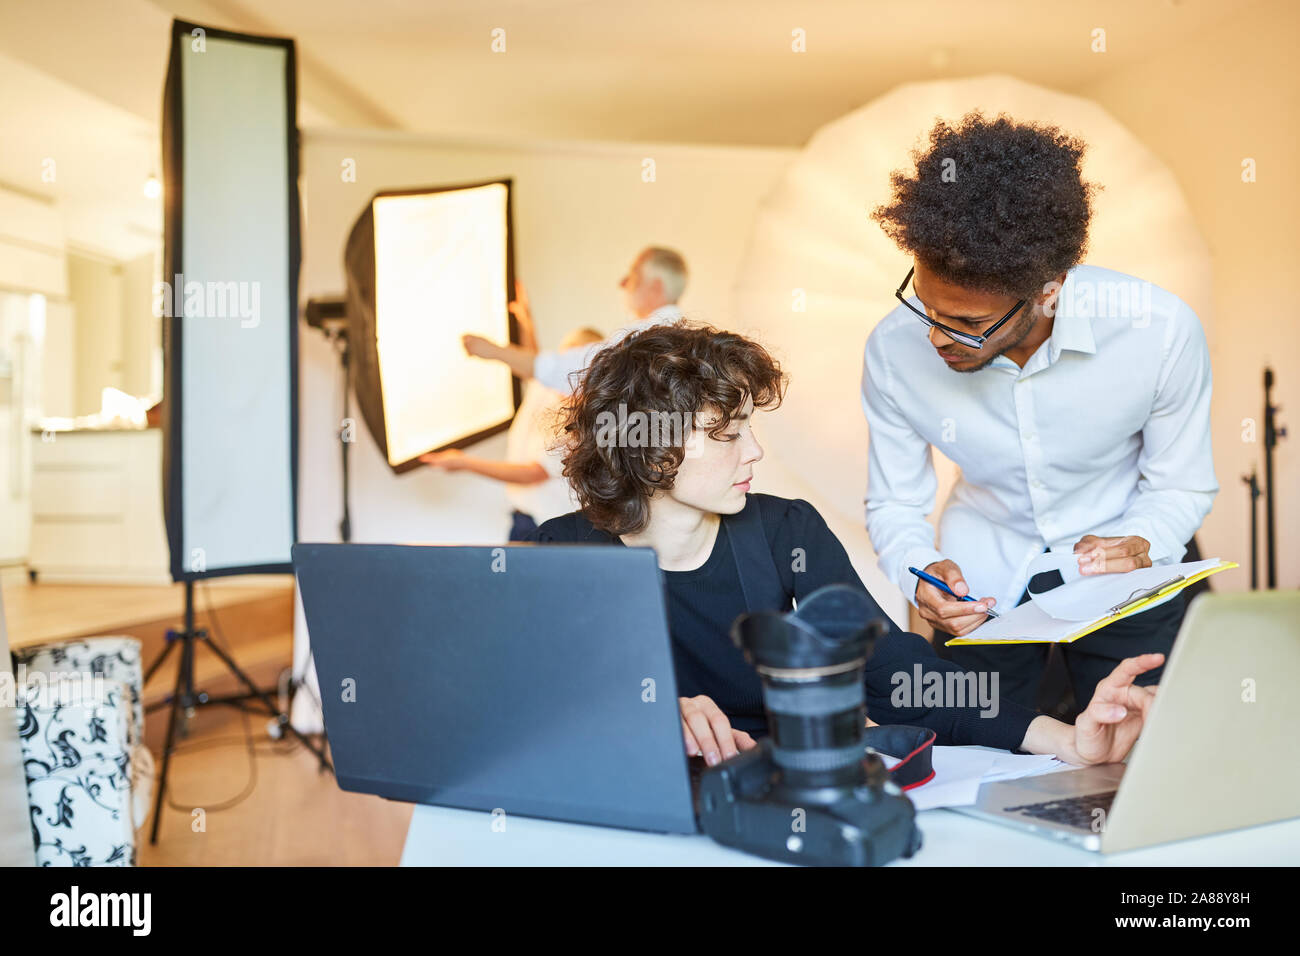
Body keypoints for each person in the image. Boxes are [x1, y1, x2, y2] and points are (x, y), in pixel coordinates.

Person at [529, 321, 1162, 769]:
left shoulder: (784, 531)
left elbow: (898, 673)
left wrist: (1066, 739)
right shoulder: (563, 553)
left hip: (774, 800)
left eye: (750, 428)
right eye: (726, 435)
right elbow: (537, 705)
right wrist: (651, 710)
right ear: (651, 448)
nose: (754, 453)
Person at [862, 112, 1217, 712]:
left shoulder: (1157, 331)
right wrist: (919, 570)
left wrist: (1145, 540)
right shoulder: (892, 351)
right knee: (984, 749)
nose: (936, 339)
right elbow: (895, 502)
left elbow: (1181, 484)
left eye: (969, 324)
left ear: (1049, 289)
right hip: (984, 577)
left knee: (1147, 744)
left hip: (1123, 571)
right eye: (925, 307)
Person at [423, 322, 604, 540]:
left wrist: (464, 463)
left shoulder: (579, 424)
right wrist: (526, 321)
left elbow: (532, 473)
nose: (566, 375)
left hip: (543, 524)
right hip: (522, 515)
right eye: (563, 358)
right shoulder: (549, 388)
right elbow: (535, 366)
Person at [461, 246, 688, 392]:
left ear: (656, 288)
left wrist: (493, 351)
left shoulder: (644, 339)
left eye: (634, 275)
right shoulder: (686, 337)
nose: (623, 283)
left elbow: (569, 371)